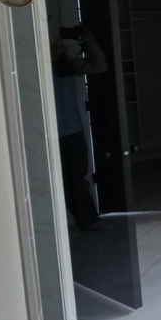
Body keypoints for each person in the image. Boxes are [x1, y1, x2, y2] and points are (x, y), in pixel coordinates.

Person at [51, 25, 108, 230]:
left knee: (78, 180)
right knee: (60, 182)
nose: (61, 45)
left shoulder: (68, 65)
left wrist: (89, 42)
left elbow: (100, 66)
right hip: (48, 136)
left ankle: (87, 220)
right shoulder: (35, 68)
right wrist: (50, 58)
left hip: (73, 132)